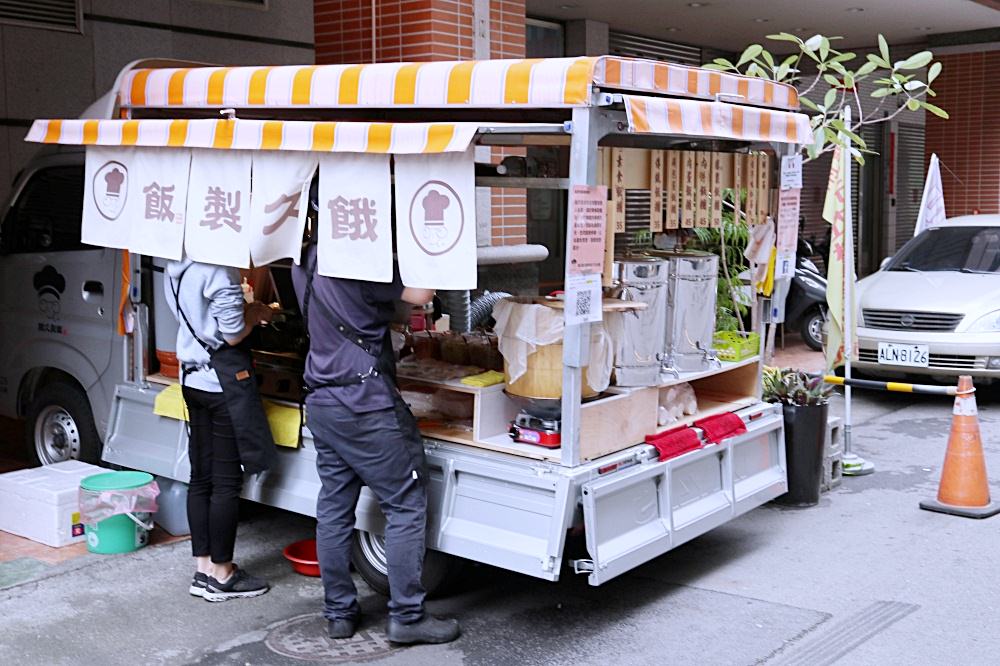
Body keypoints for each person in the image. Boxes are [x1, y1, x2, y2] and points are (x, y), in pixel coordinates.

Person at [293, 241, 461, 645]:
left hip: (322, 397)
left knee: (334, 505)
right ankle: (407, 615)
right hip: (365, 403)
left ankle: (339, 613)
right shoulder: (358, 256)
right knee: (405, 502)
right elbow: (421, 294)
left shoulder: (304, 258)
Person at [165, 257, 277, 602]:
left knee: (201, 477)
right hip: (220, 383)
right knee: (226, 482)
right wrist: (256, 313)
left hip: (192, 380)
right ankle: (224, 574)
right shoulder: (218, 268)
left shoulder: (176, 264)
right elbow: (230, 334)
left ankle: (203, 570)